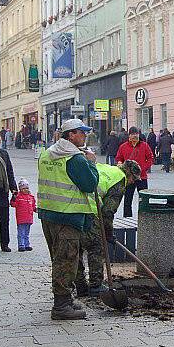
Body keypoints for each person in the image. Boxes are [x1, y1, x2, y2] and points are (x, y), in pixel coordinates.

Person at [38, 119, 99, 320]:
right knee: (66, 261)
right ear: (71, 135)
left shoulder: (47, 154)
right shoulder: (75, 158)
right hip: (68, 216)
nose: (85, 136)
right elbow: (90, 184)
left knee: (58, 258)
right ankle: (61, 305)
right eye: (82, 132)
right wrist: (91, 163)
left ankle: (66, 297)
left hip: (48, 214)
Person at [76, 160, 142, 296]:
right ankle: (95, 286)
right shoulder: (119, 181)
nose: (132, 182)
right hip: (90, 210)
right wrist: (108, 233)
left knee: (77, 248)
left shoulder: (109, 169)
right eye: (133, 179)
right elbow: (107, 211)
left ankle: (80, 286)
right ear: (129, 174)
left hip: (74, 207)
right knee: (96, 247)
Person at [115, 127, 154, 217]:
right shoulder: (123, 146)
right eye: (132, 134)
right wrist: (120, 164)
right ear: (129, 135)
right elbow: (118, 158)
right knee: (127, 200)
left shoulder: (144, 145)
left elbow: (150, 158)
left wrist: (143, 168)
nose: (134, 136)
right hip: (129, 178)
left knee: (144, 199)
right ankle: (127, 218)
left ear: (138, 135)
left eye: (136, 134)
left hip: (142, 177)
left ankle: (145, 217)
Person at [11, 178, 36, 251]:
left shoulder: (31, 197)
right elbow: (13, 204)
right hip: (21, 218)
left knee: (27, 233)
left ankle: (27, 244)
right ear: (20, 189)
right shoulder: (18, 197)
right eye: (23, 188)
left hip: (29, 218)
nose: (26, 190)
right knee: (21, 233)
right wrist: (14, 197)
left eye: (27, 188)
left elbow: (33, 205)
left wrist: (35, 209)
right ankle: (21, 245)